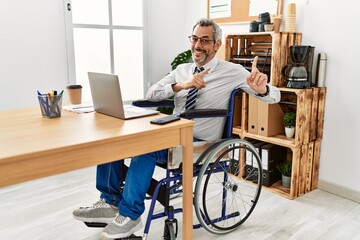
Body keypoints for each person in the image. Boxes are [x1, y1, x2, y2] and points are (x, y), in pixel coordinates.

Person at [73, 18, 280, 239]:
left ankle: (130, 216)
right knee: (115, 140)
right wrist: (182, 85)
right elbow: (152, 93)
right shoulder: (182, 70)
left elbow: (275, 96)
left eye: (205, 40)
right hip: (172, 134)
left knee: (147, 147)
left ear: (217, 44)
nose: (197, 45)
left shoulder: (233, 71)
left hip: (201, 143)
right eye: (194, 39)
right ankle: (110, 200)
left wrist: (263, 89)